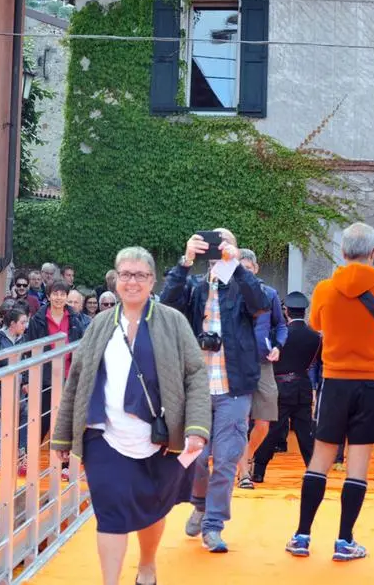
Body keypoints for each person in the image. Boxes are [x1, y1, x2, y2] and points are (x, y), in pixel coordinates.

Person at [51, 246, 210, 585]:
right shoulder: (99, 325)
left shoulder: (173, 322)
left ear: (152, 280)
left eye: (140, 275)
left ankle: (148, 564)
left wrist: (196, 427)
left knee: (153, 506)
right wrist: (63, 434)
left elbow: (195, 373)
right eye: (125, 274)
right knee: (110, 513)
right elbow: (77, 378)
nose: (132, 281)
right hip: (105, 434)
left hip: (160, 437)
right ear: (116, 279)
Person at [286, 222, 374, 562]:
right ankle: (344, 541)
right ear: (373, 253)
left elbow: (315, 324)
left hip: (334, 381)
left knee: (321, 459)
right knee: (358, 463)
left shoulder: (326, 289)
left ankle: (302, 535)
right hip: (372, 382)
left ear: (342, 253)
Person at [159, 228, 268, 553]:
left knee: (225, 459)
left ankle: (213, 526)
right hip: (197, 387)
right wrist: (186, 261)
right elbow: (167, 304)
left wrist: (235, 265)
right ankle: (200, 503)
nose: (219, 251)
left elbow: (260, 305)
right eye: (214, 246)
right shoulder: (194, 287)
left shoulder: (244, 286)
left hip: (234, 388)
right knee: (196, 456)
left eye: (226, 245)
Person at [252, 292, 320, 482]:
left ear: (286, 311)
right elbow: (315, 363)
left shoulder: (277, 335)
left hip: (279, 385)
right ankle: (315, 472)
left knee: (272, 430)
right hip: (303, 386)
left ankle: (258, 471)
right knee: (306, 432)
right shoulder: (316, 337)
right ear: (304, 312)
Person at [26, 281, 89, 481]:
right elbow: (29, 349)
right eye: (55, 293)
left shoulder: (75, 318)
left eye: (63, 293)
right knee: (41, 419)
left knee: (66, 420)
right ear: (49, 295)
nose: (59, 297)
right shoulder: (38, 320)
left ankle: (64, 464)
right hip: (45, 376)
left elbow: (81, 347)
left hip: (69, 376)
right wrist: (26, 380)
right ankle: (29, 458)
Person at [236, 249, 287, 489]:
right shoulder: (229, 296)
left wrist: (278, 345)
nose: (244, 274)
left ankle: (247, 456)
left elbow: (281, 326)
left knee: (264, 421)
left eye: (248, 269)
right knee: (239, 420)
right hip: (236, 364)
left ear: (255, 269)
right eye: (239, 269)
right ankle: (244, 473)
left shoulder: (269, 294)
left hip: (263, 363)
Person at [0, 308, 30, 474]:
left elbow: (26, 361)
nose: (26, 325)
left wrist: (25, 381)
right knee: (1, 418)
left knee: (23, 413)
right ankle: (1, 455)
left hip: (17, 385)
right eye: (23, 322)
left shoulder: (22, 339)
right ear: (12, 324)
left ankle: (21, 450)